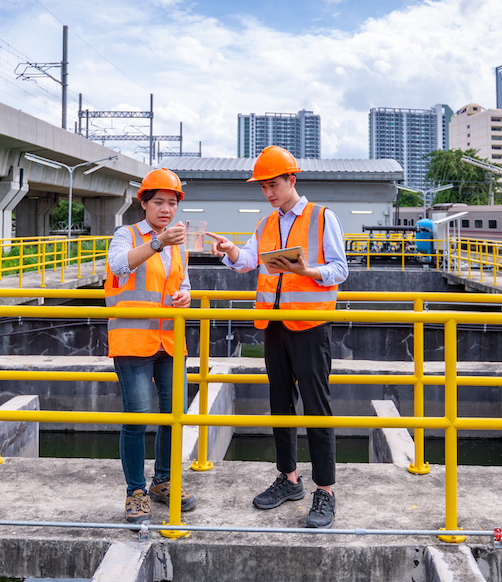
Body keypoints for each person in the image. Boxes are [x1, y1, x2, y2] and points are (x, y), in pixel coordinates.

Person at [207, 146, 348, 528]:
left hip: (311, 326)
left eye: (274, 184)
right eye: (263, 186)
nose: (268, 192)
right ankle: (289, 479)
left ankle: (325, 490)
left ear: (292, 180)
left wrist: (308, 271)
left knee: (317, 408)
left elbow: (340, 269)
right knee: (280, 404)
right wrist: (230, 250)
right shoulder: (267, 223)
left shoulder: (322, 217)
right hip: (274, 325)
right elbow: (248, 261)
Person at [106, 167, 196, 525]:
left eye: (172, 203)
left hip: (169, 341)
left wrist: (185, 296)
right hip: (133, 341)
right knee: (138, 418)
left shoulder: (178, 244)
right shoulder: (126, 235)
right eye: (159, 202)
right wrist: (158, 242)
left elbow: (182, 283)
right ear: (143, 203)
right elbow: (117, 266)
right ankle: (136, 492)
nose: (166, 209)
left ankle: (163, 482)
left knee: (174, 416)